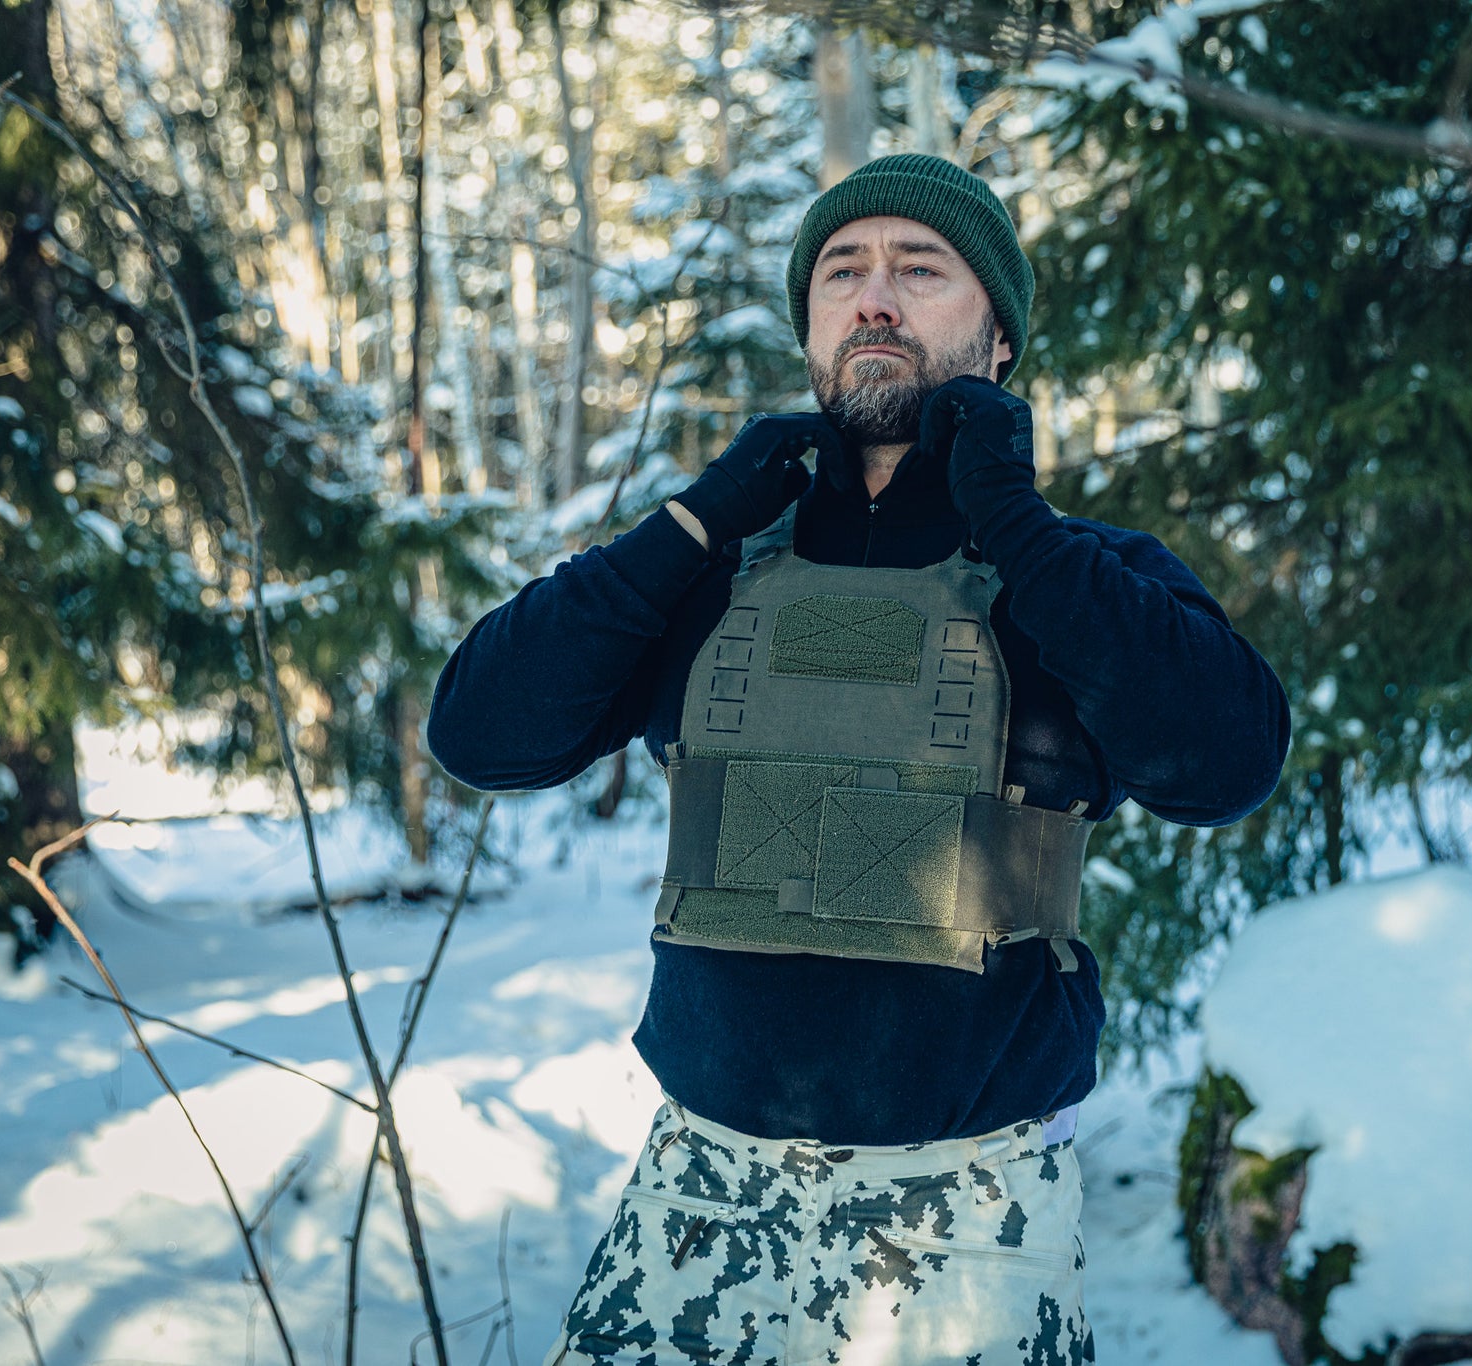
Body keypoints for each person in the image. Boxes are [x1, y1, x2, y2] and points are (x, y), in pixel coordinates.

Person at [428, 152, 1289, 1366]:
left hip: (968, 1223)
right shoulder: (711, 565)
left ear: (996, 339)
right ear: (814, 328)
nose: (873, 297)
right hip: (699, 1195)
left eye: (918, 269)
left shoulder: (1078, 575)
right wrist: (688, 520)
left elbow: (1228, 761)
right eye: (843, 272)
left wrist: (1020, 528)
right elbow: (479, 733)